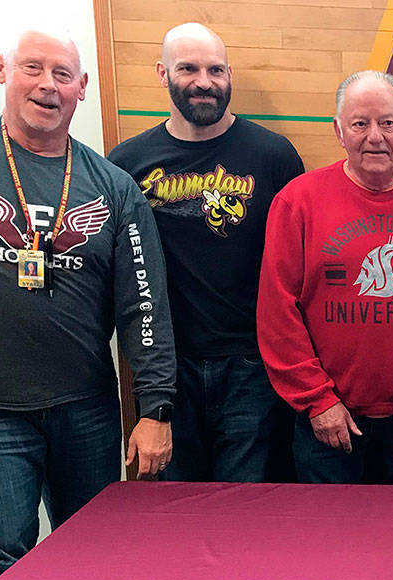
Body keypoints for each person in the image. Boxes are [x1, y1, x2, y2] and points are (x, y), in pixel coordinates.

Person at [0, 28, 175, 580]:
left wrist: (155, 409)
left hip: (84, 409)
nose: (47, 85)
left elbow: (144, 305)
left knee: (92, 552)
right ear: (1, 70)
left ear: (82, 89)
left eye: (63, 74)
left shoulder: (115, 189)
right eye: (32, 68)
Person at [108, 23, 304, 482]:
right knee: (179, 511)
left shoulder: (273, 156)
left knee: (248, 505)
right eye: (188, 68)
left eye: (215, 69)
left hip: (254, 366)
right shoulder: (126, 163)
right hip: (166, 369)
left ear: (229, 74)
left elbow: (298, 266)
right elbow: (109, 271)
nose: (204, 81)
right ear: (162, 73)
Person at [258, 70, 393, 484]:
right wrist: (316, 401)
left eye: (387, 123)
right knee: (333, 544)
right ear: (338, 130)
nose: (375, 137)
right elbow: (277, 313)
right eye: (360, 124)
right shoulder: (298, 201)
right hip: (331, 420)